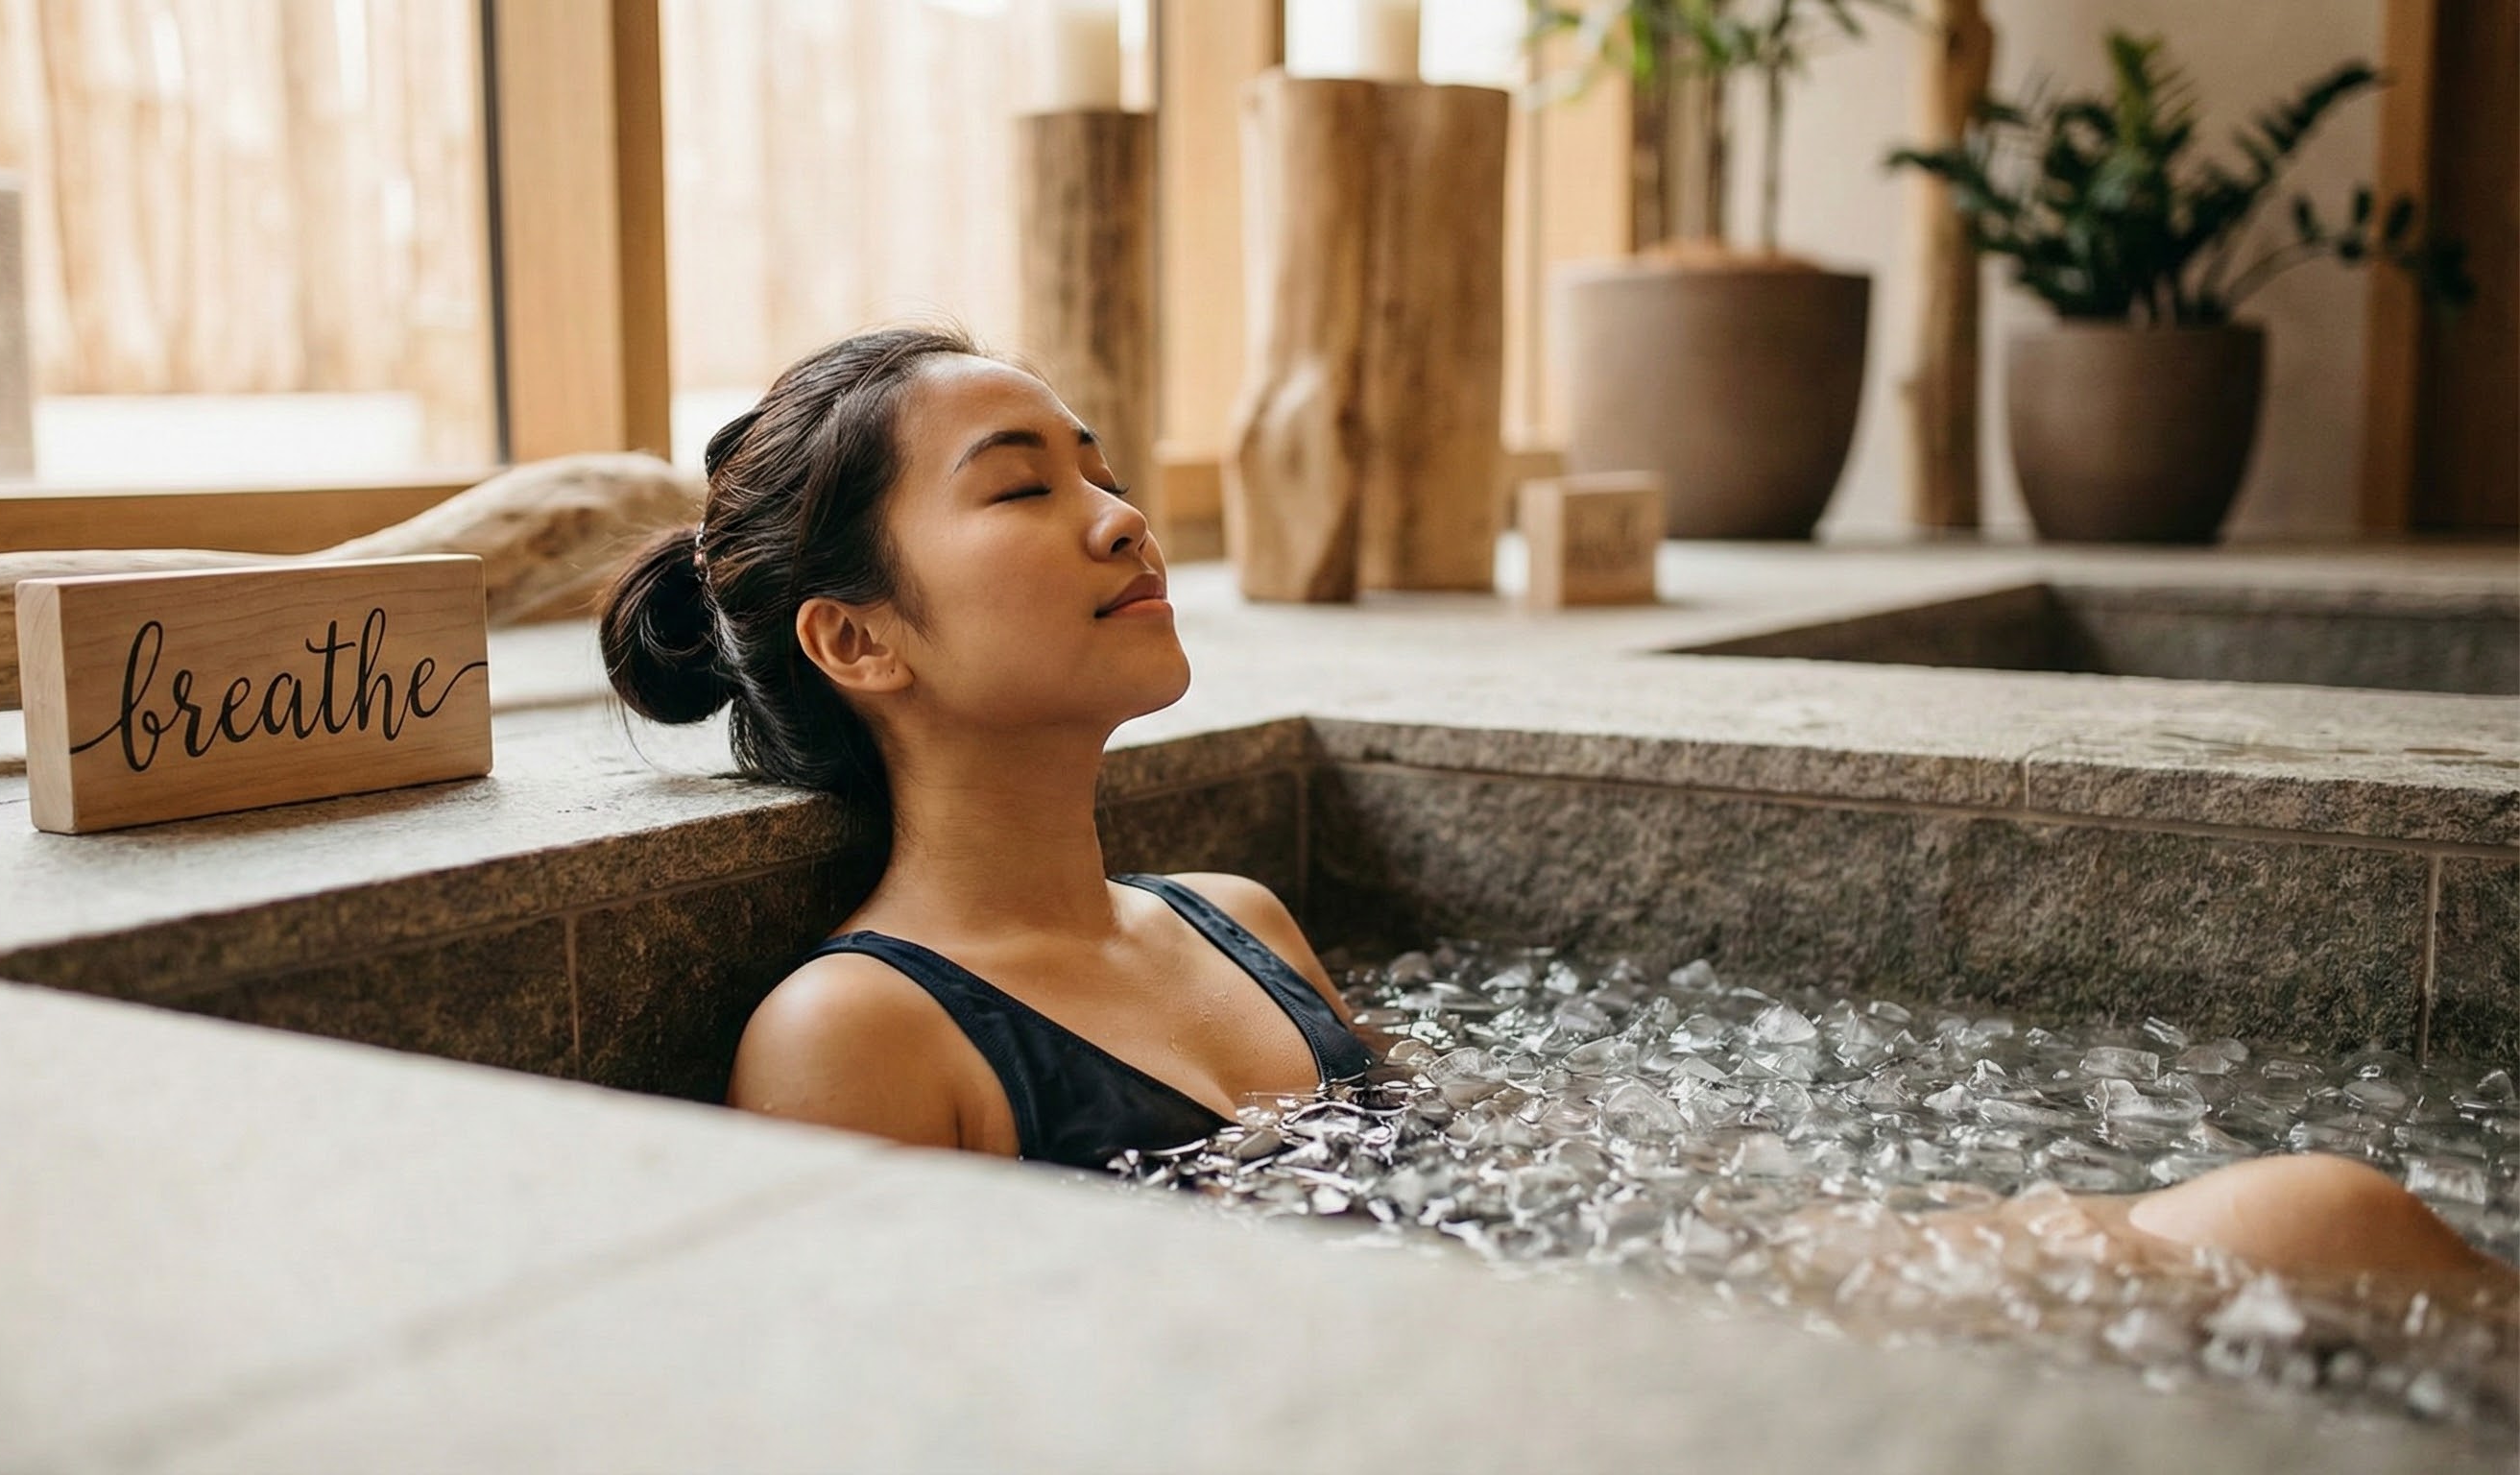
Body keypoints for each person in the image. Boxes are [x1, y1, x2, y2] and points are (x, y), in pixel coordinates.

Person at [596, 325, 2514, 1299]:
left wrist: (1885, 1229)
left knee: (2324, 1217)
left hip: (1673, 1317)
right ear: (858, 637)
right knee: (2313, 1223)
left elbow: (1575, 1170)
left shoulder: (1230, 917)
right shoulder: (861, 1034)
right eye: (1021, 487)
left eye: (1103, 465)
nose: (1120, 514)